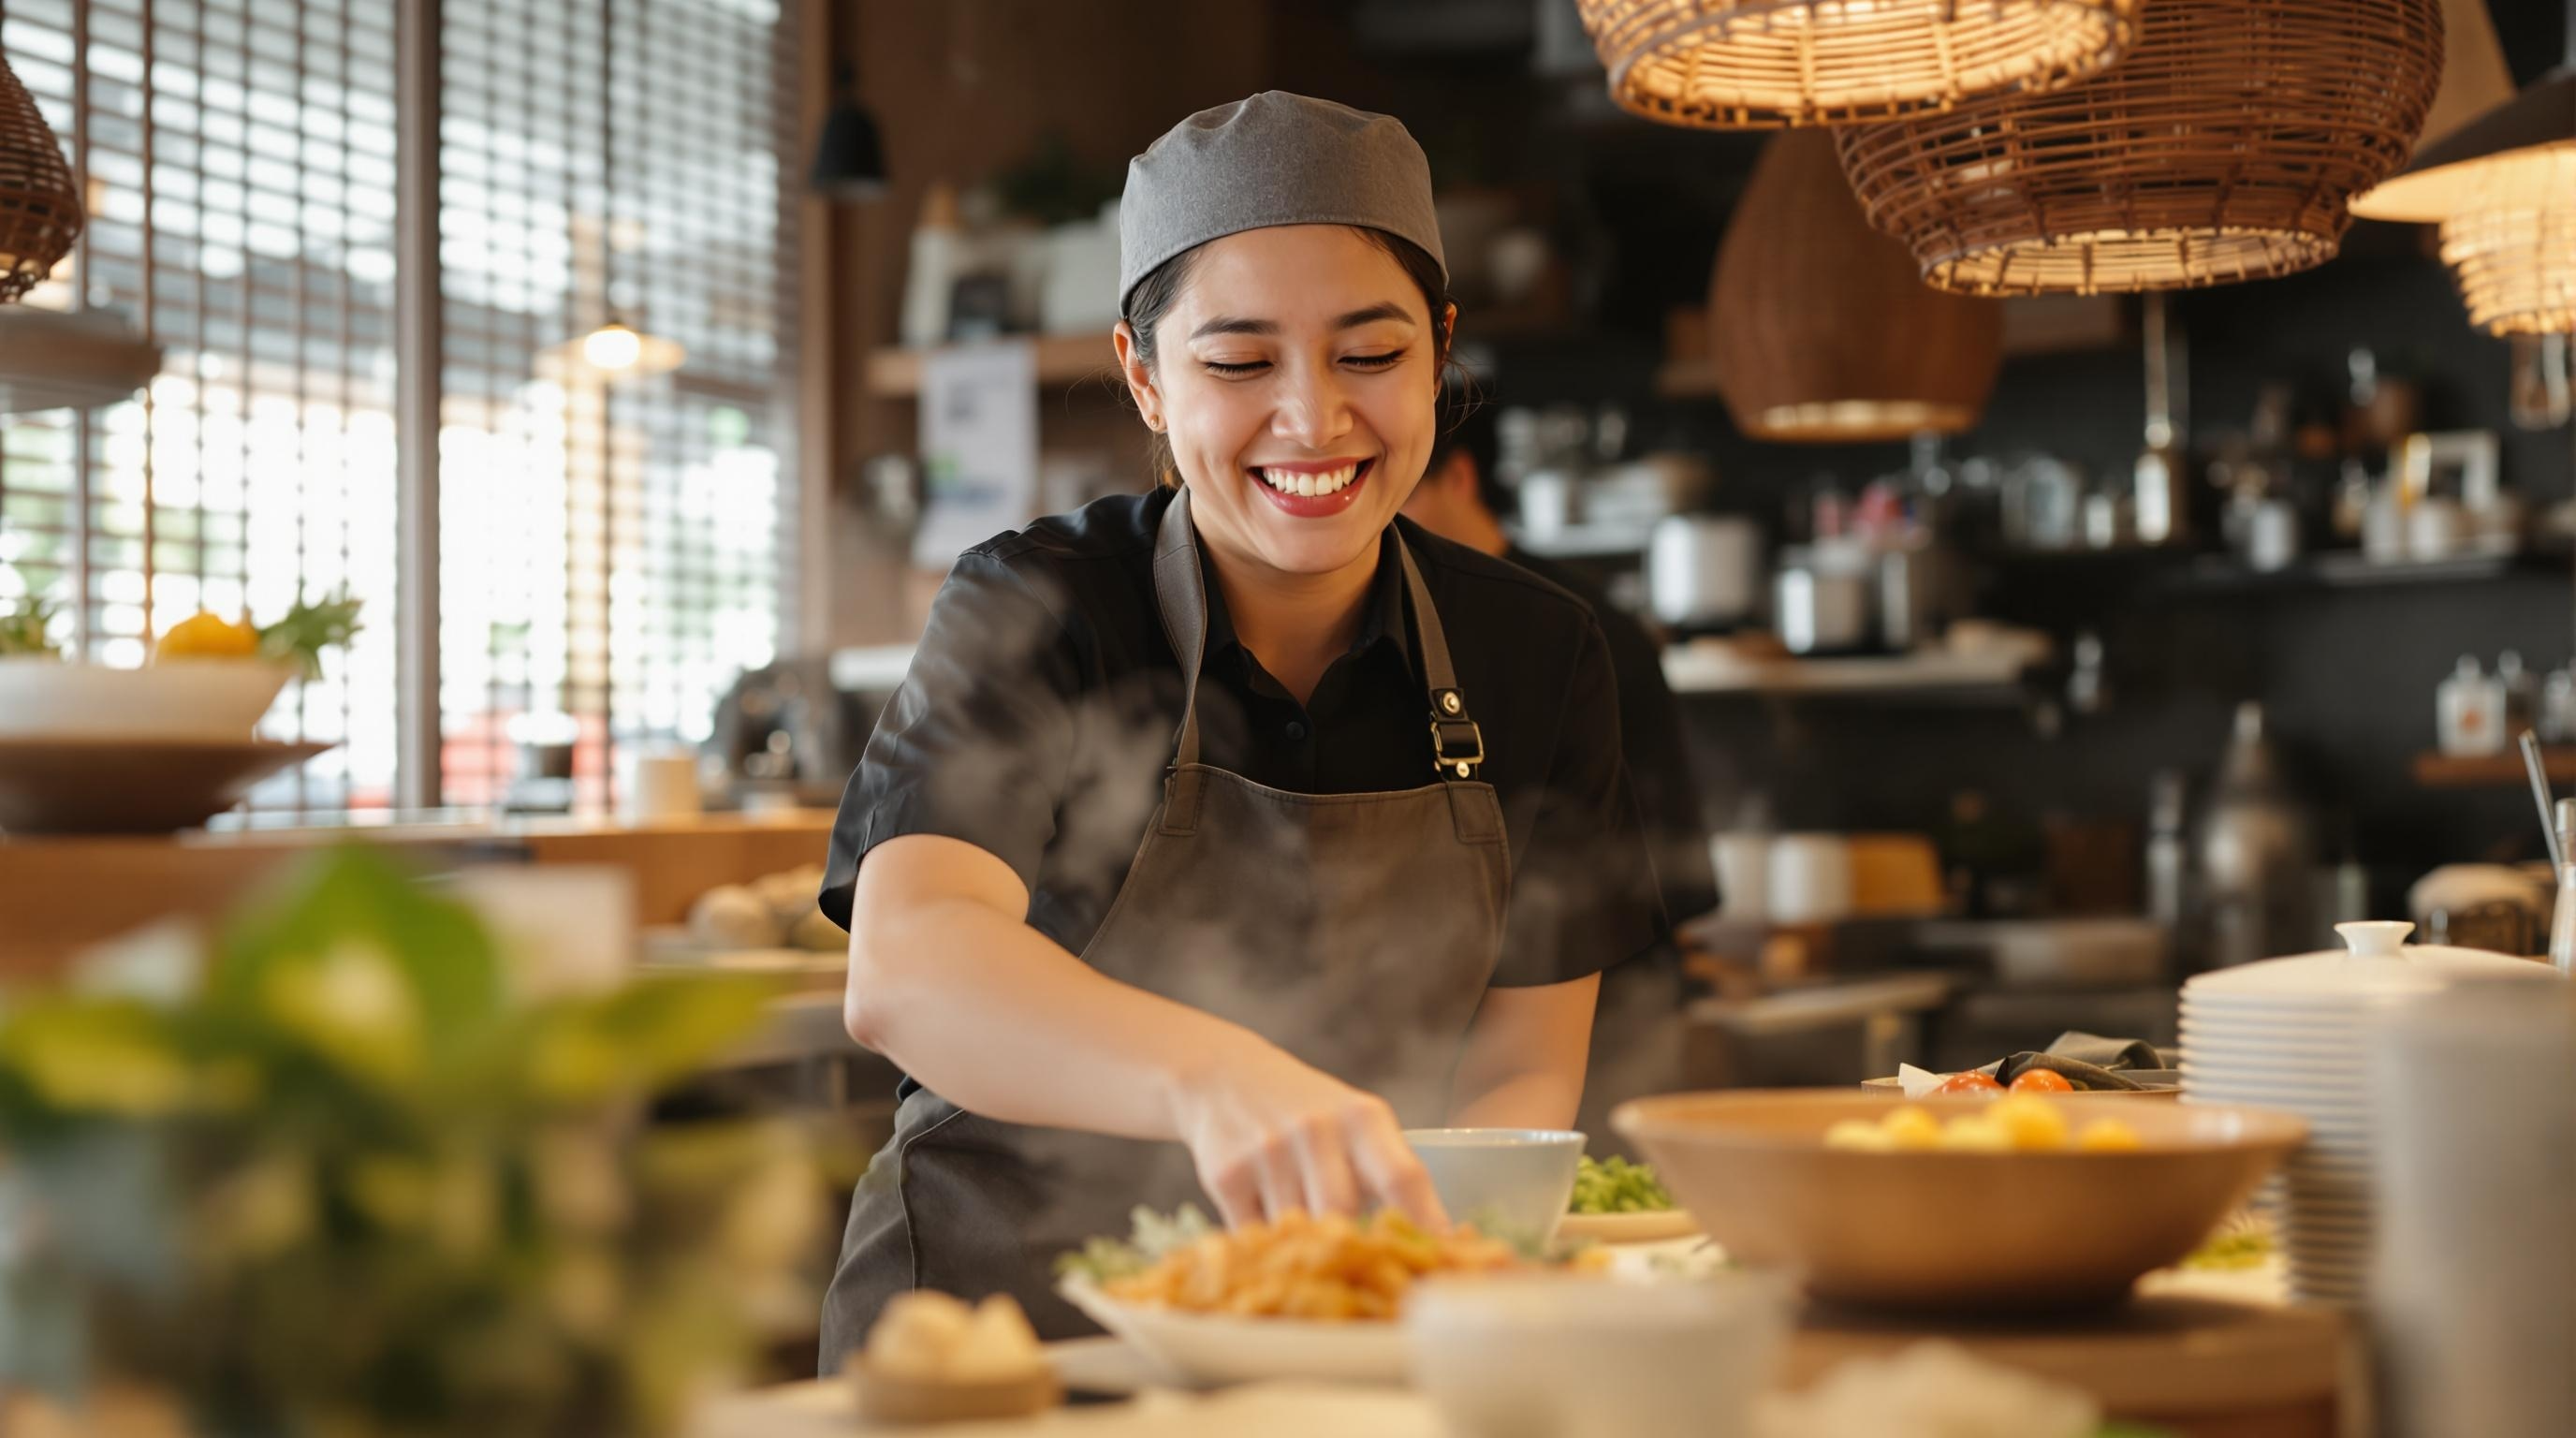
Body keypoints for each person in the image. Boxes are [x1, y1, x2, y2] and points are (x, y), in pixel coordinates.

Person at [814, 93, 1664, 1362]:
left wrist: (1433, 1271)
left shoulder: (1538, 653)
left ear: (1440, 351)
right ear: (1144, 377)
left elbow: (1518, 1065)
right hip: (992, 1351)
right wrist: (1218, 1077)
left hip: (1346, 1343)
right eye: (1239, 363)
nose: (1313, 419)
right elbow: (909, 969)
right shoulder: (1037, 607)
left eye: (1369, 356)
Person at [1402, 398, 1720, 1149]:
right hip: (1453, 1051)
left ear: (1459, 477)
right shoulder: (1396, 618)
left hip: (1604, 1025)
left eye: (1396, 486)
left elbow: (1665, 869)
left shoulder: (1568, 632)